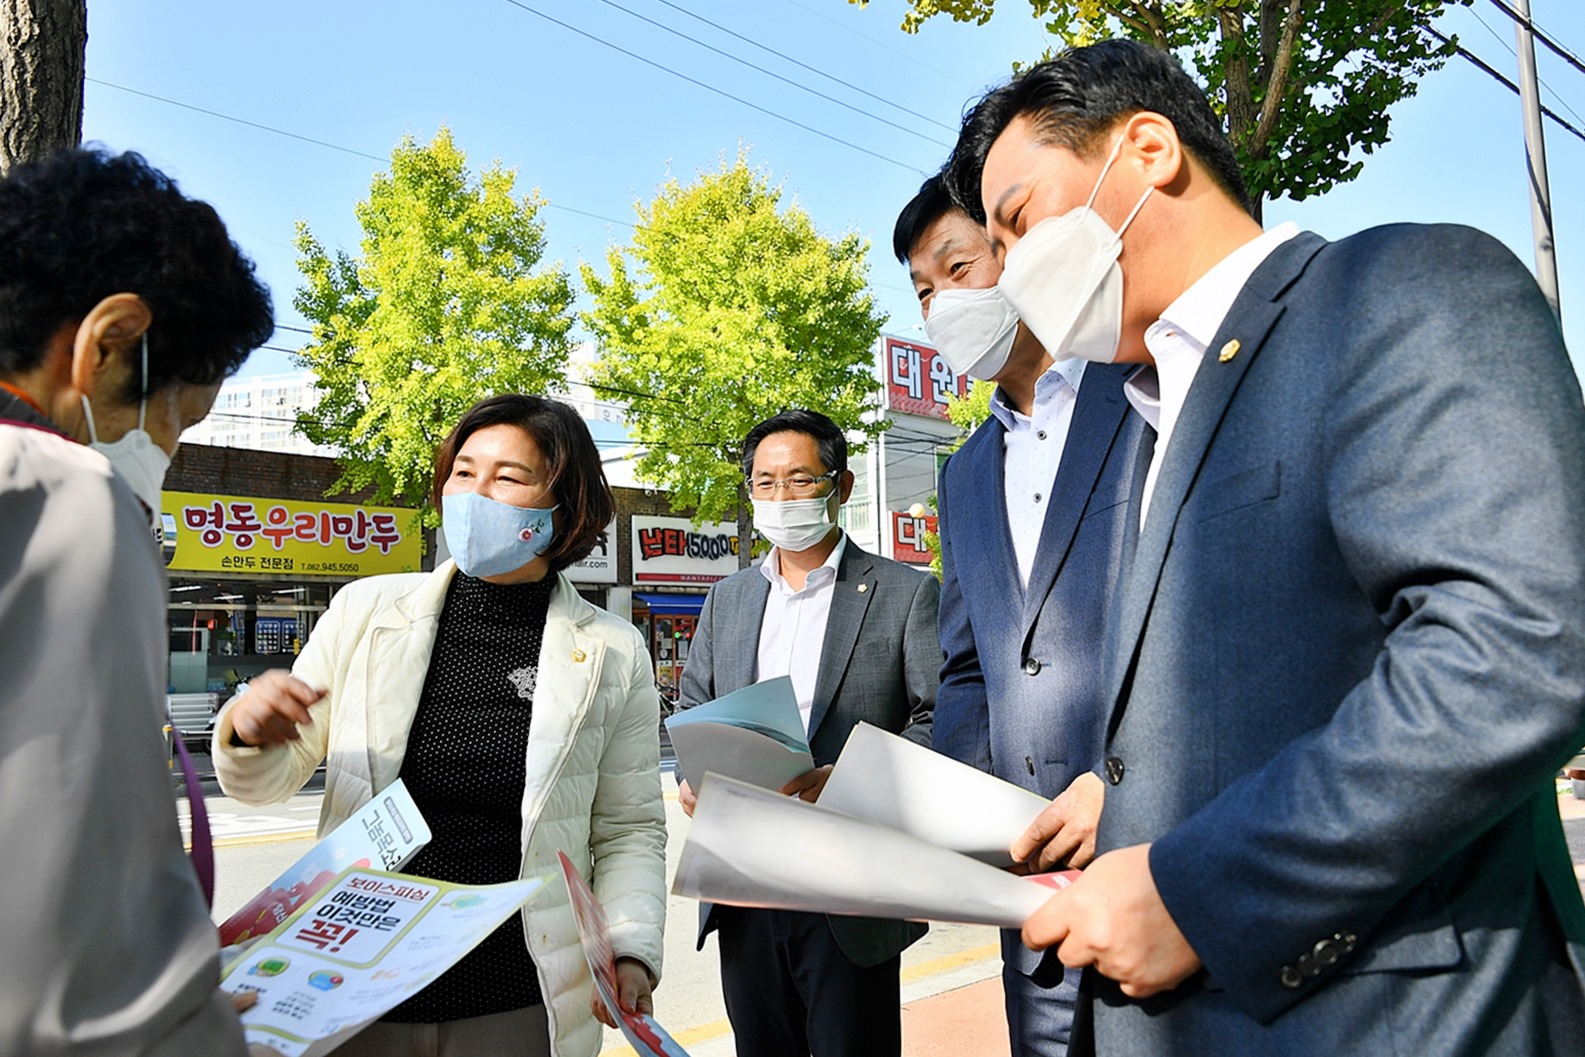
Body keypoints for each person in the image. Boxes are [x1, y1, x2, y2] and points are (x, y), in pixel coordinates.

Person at [943, 38, 1585, 1054]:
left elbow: (1517, 644)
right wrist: (1121, 790)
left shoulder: (1397, 287)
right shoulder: (1145, 417)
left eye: (1019, 222)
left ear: (1147, 148)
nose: (1013, 272)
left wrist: (1199, 891)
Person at [213, 394, 667, 1057]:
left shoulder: (612, 650)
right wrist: (249, 733)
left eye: (508, 477)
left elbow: (629, 827)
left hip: (516, 992)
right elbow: (269, 780)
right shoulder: (366, 610)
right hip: (354, 983)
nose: (475, 494)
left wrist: (629, 948)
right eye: (463, 472)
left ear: (563, 506)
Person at [0, 147, 274, 1055]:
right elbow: (71, 965)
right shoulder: (65, 496)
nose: (166, 448)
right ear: (110, 341)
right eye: (176, 416)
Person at [894, 174, 1147, 1057]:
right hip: (1031, 905)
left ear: (1017, 249)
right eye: (922, 292)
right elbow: (969, 665)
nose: (941, 306)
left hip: (1157, 865)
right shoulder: (963, 471)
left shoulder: (1147, 394)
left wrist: (1131, 788)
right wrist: (959, 815)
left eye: (957, 267)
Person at [675, 408, 938, 1057]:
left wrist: (851, 779)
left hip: (848, 885)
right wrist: (689, 776)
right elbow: (694, 701)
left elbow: (941, 718)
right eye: (764, 483)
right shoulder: (728, 597)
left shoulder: (905, 592)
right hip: (744, 877)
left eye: (799, 479)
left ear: (840, 486)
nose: (781, 496)